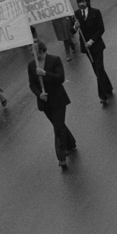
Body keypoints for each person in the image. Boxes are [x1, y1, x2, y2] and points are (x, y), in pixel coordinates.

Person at [27, 39, 76, 168]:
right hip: (46, 102)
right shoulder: (32, 65)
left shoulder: (55, 60)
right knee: (58, 125)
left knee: (58, 127)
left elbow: (60, 78)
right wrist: (39, 94)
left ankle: (61, 158)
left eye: (35, 50)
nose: (32, 53)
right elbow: (32, 84)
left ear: (42, 50)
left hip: (58, 100)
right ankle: (71, 143)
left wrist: (45, 74)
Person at [73, 0, 114, 107]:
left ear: (88, 2)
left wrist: (91, 41)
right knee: (97, 70)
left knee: (99, 69)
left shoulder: (96, 12)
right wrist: (75, 27)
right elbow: (71, 31)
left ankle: (103, 96)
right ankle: (108, 88)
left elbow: (101, 29)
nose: (81, 4)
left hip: (96, 45)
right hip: (87, 49)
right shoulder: (76, 15)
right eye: (79, 2)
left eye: (83, 1)